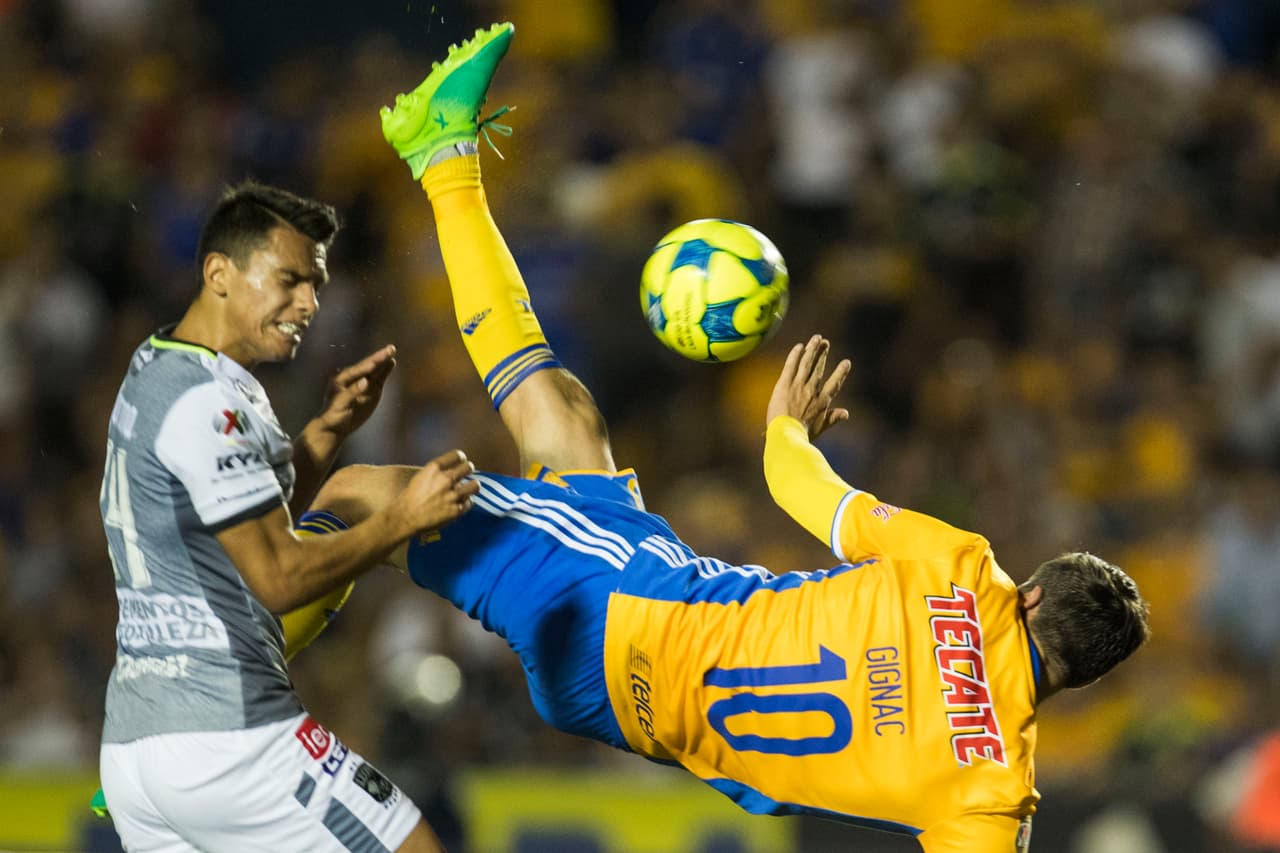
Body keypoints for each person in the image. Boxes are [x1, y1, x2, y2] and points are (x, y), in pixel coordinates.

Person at [322, 22, 1149, 852]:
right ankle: (443, 156)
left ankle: (235, 655)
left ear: (1031, 594)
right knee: (562, 418)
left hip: (626, 609)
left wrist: (788, 428)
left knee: (362, 495)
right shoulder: (997, 795)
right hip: (637, 695)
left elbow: (798, 487)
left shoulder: (963, 574)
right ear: (1081, 677)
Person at [97, 178, 480, 851]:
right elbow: (275, 575)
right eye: (288, 280)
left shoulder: (158, 368)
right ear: (219, 272)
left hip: (137, 749)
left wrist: (326, 433)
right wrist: (402, 518)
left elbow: (233, 527)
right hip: (232, 736)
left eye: (316, 284)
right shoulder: (211, 406)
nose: (308, 303)